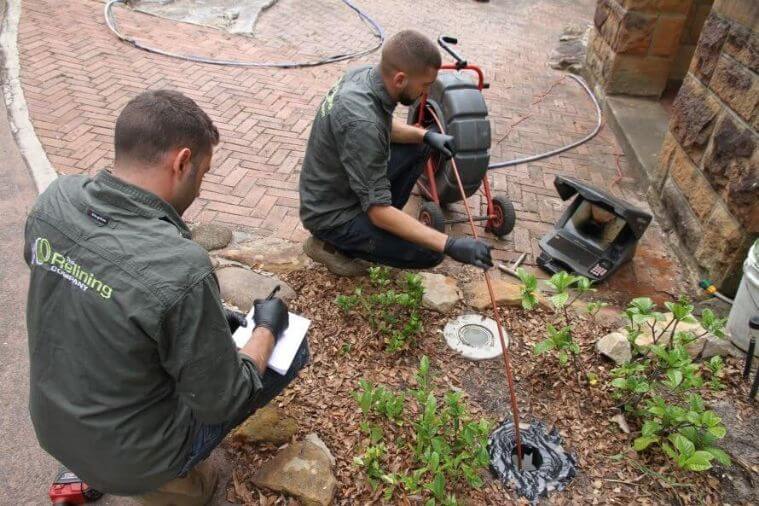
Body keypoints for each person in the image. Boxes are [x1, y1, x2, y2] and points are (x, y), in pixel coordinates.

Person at [24, 90, 306, 505]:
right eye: (204, 173)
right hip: (137, 459)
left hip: (51, 424)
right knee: (289, 349)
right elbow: (224, 399)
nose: (201, 186)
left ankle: (85, 465)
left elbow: (90, 298)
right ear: (181, 162)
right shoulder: (180, 266)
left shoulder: (53, 201)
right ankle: (174, 484)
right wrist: (265, 327)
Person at [299, 30, 494, 276]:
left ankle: (381, 230)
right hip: (331, 215)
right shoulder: (361, 122)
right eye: (424, 86)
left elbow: (380, 126)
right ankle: (331, 246)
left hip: (343, 186)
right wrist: (450, 244)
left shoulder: (364, 77)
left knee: (421, 144)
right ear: (400, 79)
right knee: (431, 251)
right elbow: (378, 210)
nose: (425, 93)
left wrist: (426, 135)